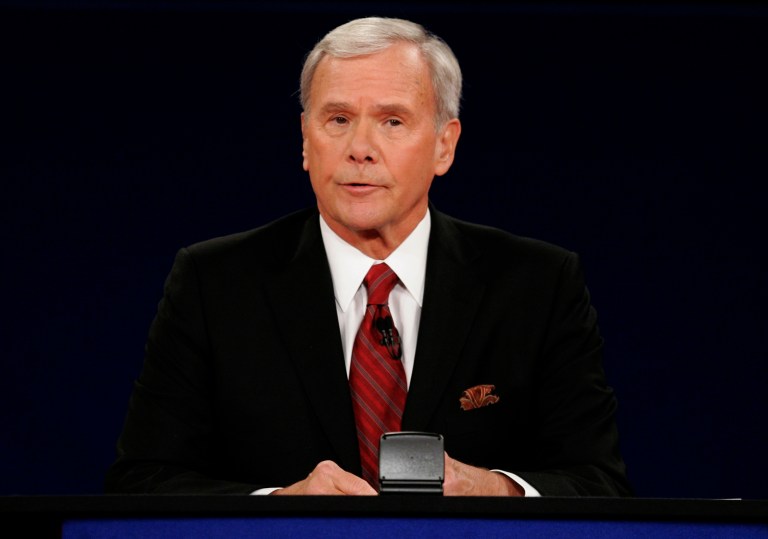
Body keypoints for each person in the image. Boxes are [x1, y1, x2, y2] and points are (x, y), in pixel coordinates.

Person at [105, 16, 632, 497]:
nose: (360, 147)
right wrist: (279, 507)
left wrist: (493, 490)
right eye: (337, 119)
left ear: (444, 146)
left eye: (392, 121)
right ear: (306, 143)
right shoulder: (212, 282)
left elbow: (597, 482)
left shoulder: (537, 284)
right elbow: (142, 482)